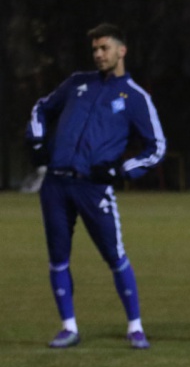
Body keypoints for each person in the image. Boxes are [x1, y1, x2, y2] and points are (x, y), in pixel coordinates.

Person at [25, 23, 165, 350]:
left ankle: (135, 327)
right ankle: (68, 327)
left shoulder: (135, 97)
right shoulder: (77, 83)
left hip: (93, 188)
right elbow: (41, 108)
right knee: (58, 257)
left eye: (104, 48)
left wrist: (122, 170)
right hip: (56, 184)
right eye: (95, 50)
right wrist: (37, 141)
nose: (99, 55)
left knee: (115, 257)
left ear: (121, 50)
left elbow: (156, 147)